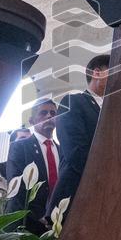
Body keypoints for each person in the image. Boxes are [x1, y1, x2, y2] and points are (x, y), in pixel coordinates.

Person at [46, 54, 107, 216]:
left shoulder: (115, 109)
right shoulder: (73, 102)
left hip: (106, 198)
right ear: (97, 73)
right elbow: (76, 152)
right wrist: (106, 177)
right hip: (76, 193)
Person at [5, 98, 61, 234]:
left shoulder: (63, 150)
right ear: (31, 121)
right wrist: (40, 217)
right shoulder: (20, 147)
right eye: (43, 113)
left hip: (56, 224)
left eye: (53, 113)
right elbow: (16, 187)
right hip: (26, 226)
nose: (49, 116)